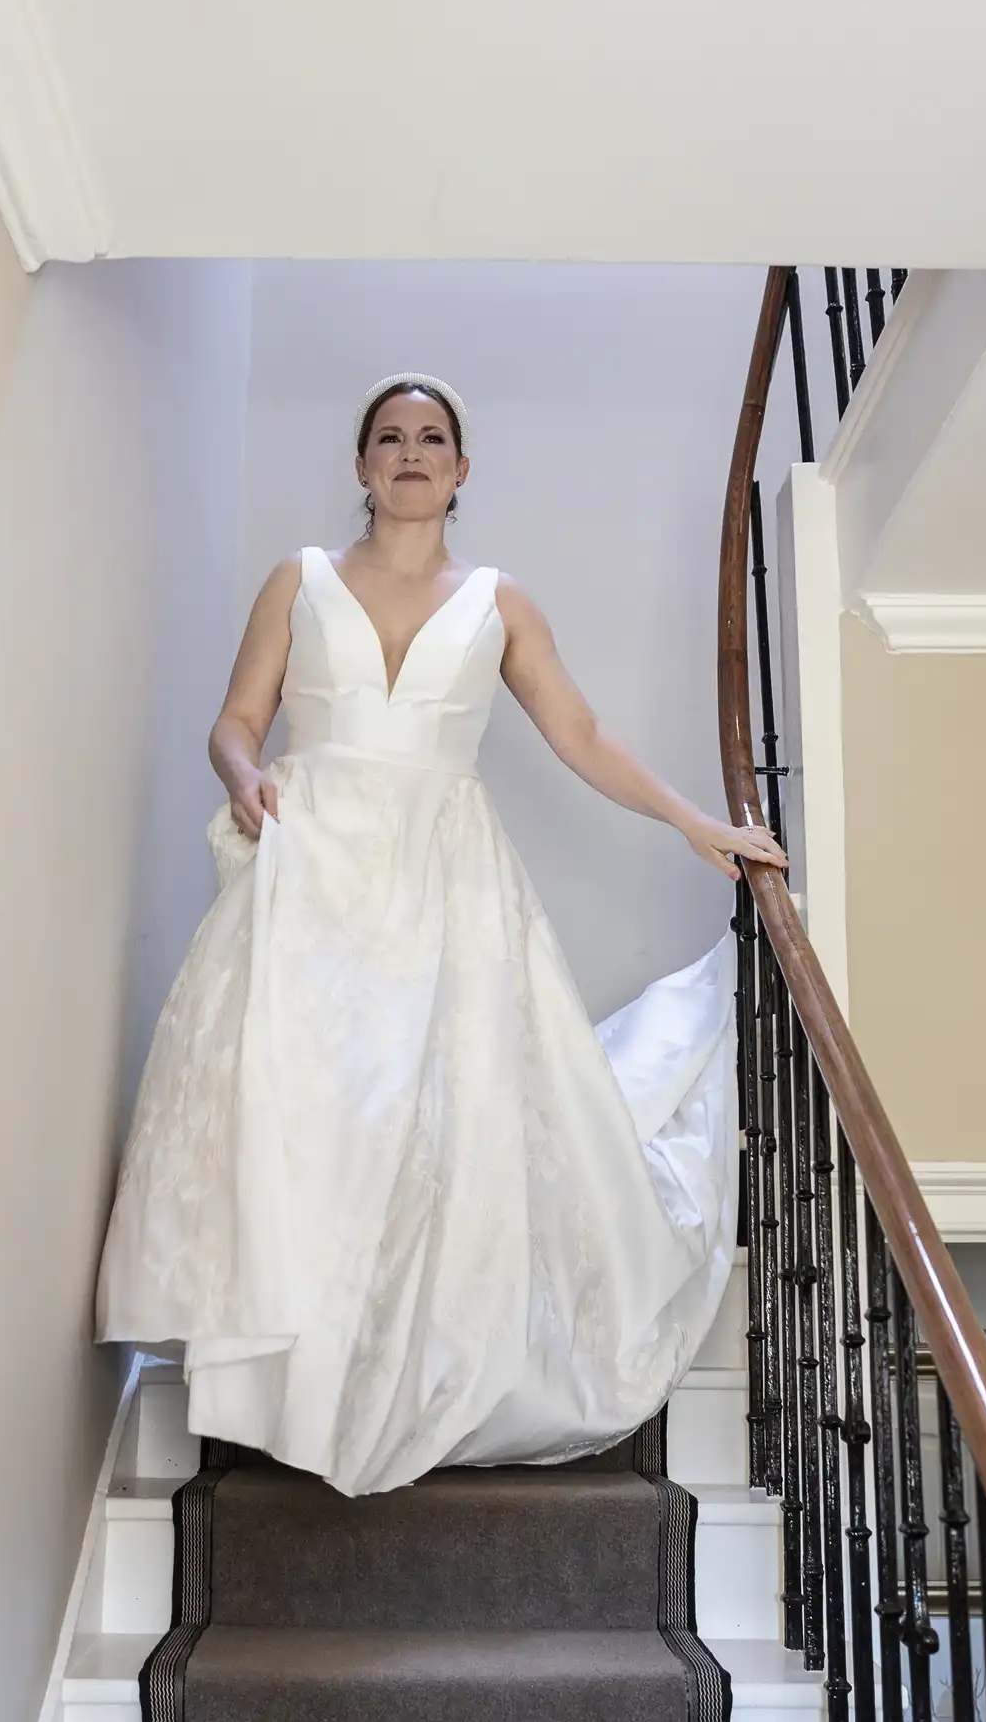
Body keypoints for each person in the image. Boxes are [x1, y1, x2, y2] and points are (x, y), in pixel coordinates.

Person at [95, 371, 787, 1497]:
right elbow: (237, 721)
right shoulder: (298, 579)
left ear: (461, 472)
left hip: (439, 874)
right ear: (362, 465)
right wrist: (241, 780)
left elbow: (581, 731)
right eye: (389, 436)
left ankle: (394, 1369)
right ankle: (298, 1383)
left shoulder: (500, 602)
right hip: (313, 860)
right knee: (308, 1113)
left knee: (427, 1120)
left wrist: (693, 821)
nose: (410, 451)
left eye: (432, 438)